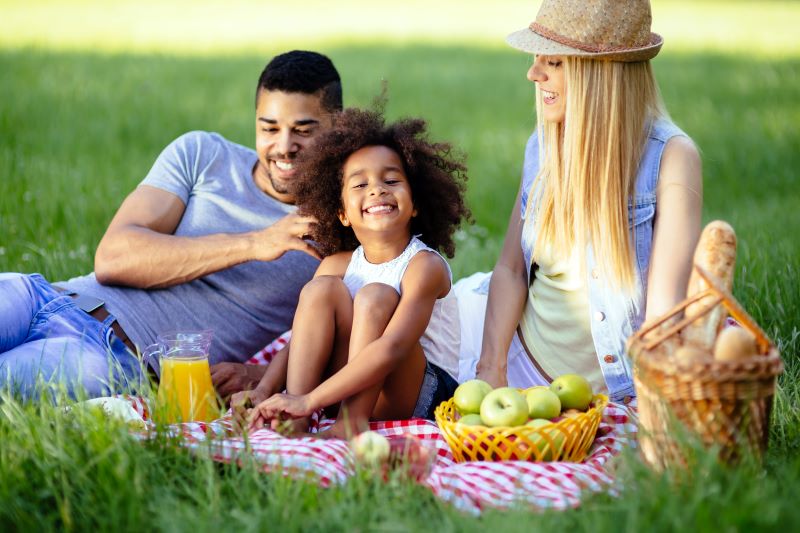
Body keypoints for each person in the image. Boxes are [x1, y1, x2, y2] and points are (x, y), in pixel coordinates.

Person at [0, 50, 342, 401]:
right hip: (46, 297)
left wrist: (260, 374)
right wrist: (255, 243)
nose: (284, 147)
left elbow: (370, 338)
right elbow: (113, 259)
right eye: (269, 128)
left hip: (113, 359)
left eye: (303, 130)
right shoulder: (203, 154)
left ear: (338, 126)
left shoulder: (343, 224)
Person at [466, 0, 703, 403]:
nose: (533, 73)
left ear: (601, 73)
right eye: (537, 58)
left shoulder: (671, 158)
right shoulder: (543, 146)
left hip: (611, 390)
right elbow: (510, 269)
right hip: (517, 358)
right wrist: (492, 368)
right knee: (389, 315)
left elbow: (664, 318)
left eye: (554, 63)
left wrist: (652, 413)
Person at [243, 108, 471, 437]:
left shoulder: (424, 267)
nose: (376, 190)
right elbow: (299, 342)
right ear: (342, 213)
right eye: (360, 184)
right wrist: (267, 391)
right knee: (320, 291)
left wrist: (311, 400)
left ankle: (350, 425)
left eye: (391, 180)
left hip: (420, 396)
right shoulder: (337, 264)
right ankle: (293, 419)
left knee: (374, 296)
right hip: (344, 389)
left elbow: (391, 348)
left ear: (416, 203)